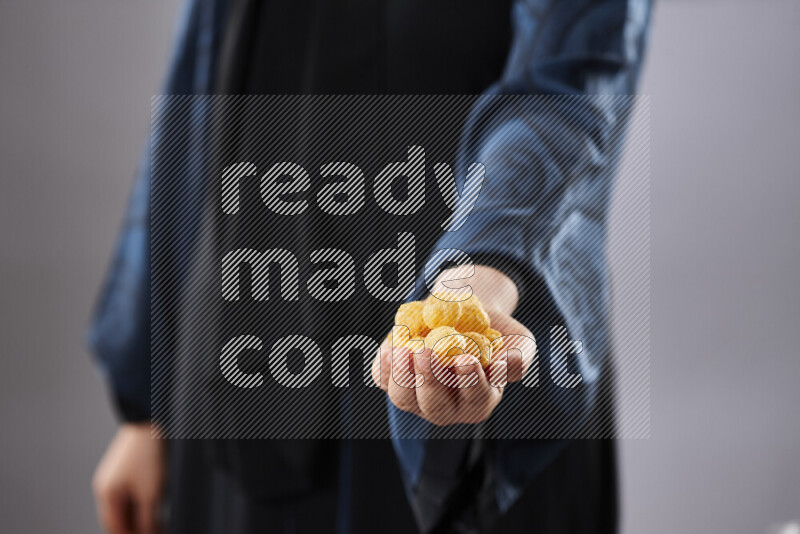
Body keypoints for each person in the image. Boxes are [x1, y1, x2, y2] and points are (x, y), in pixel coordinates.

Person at [89, 1, 651, 533]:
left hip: (460, 339)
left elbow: (571, 81)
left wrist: (477, 274)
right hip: (234, 348)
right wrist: (148, 398)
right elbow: (205, 59)